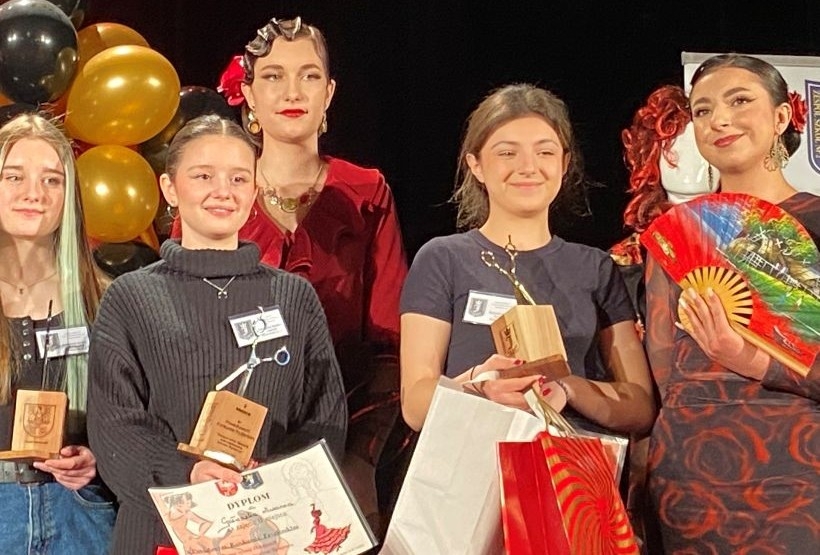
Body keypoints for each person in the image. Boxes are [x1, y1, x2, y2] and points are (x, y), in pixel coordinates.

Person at [87, 114, 347, 554]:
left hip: (268, 534)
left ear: (255, 189)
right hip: (160, 533)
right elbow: (113, 424)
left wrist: (269, 483)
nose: (223, 191)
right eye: (203, 176)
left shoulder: (294, 297)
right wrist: (186, 473)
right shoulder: (130, 297)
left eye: (238, 178)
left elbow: (325, 418)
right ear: (170, 188)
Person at [212, 15, 409, 536]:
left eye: (309, 75)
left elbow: (390, 344)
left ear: (329, 93)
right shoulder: (217, 194)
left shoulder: (366, 194)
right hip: (230, 458)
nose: (292, 91)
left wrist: (361, 459)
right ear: (248, 95)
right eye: (273, 76)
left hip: (342, 447)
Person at [400, 83, 655, 440]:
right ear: (476, 165)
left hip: (567, 467)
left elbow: (640, 407)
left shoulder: (596, 268)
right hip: (474, 459)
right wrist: (480, 386)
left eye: (545, 152)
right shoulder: (443, 259)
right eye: (507, 153)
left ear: (564, 164)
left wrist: (566, 388)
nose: (528, 167)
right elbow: (415, 404)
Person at [644, 53, 820, 552]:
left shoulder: (814, 220)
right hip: (687, 482)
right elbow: (666, 379)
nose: (719, 119)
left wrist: (751, 360)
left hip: (797, 471)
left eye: (739, 101)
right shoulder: (674, 238)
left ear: (782, 116)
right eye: (702, 110)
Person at [0, 113, 115, 553]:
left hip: (80, 515)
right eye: (15, 177)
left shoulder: (107, 300)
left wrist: (97, 458)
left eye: (52, 180)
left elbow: (133, 418)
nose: (34, 193)